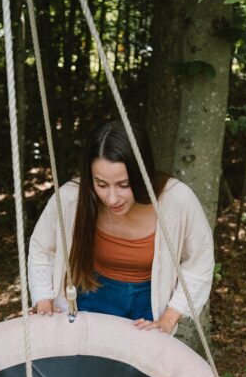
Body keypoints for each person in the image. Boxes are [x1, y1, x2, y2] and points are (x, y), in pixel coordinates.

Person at [28, 120, 215, 335]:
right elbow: (42, 248)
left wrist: (168, 319)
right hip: (89, 295)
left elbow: (199, 263)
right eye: (101, 184)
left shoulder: (177, 200)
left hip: (148, 306)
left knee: (140, 369)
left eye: (124, 185)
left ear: (142, 174)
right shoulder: (71, 198)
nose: (112, 198)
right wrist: (44, 303)